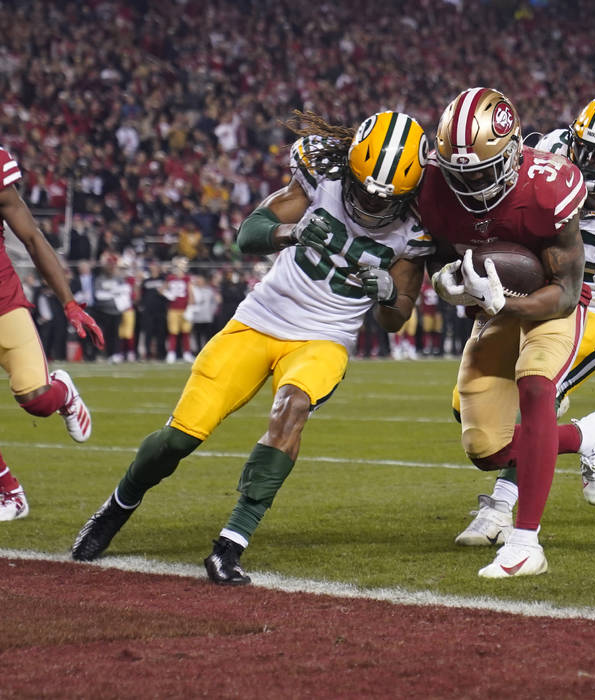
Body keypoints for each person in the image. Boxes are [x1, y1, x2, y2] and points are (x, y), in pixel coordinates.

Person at [71, 110, 432, 584]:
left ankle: (231, 543)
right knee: (178, 438)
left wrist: (387, 290)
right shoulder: (322, 180)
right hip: (259, 321)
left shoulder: (416, 227)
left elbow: (394, 318)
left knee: (293, 406)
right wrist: (291, 232)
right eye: (363, 188)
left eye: (384, 197)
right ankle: (119, 504)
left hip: (324, 338)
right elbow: (248, 234)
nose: (370, 202)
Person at [451, 92, 595, 548]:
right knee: (468, 413)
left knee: (536, 389)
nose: (589, 161)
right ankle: (585, 435)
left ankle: (501, 507)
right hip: (533, 292)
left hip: (591, 308)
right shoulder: (548, 153)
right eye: (585, 147)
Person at [419, 87, 590, 578]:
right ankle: (585, 434)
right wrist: (443, 279)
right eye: (461, 175)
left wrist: (505, 302)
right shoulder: (433, 185)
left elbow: (564, 290)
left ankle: (525, 543)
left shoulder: (551, 186)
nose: (471, 187)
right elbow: (436, 250)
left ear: (514, 150)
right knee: (486, 449)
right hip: (490, 312)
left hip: (548, 307)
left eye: (483, 172)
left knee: (536, 385)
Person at [0, 145, 102, 521]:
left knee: (37, 401)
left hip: (3, 303)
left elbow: (31, 237)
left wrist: (70, 303)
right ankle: (11, 494)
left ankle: (63, 392)